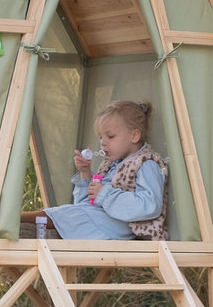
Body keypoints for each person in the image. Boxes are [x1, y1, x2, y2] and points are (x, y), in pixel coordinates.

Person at [40, 100, 168, 241]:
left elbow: (150, 205)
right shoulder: (110, 165)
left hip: (116, 227)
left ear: (134, 136)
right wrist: (85, 174)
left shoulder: (146, 163)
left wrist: (105, 194)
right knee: (68, 213)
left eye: (110, 136)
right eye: (101, 137)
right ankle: (25, 220)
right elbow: (85, 204)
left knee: (64, 214)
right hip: (99, 219)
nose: (103, 142)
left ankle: (21, 219)